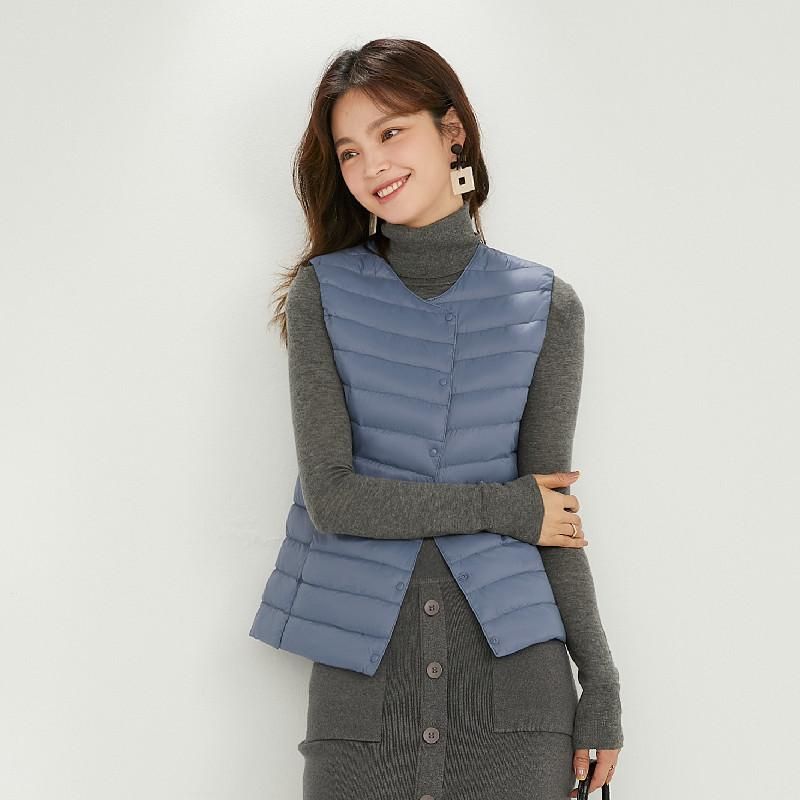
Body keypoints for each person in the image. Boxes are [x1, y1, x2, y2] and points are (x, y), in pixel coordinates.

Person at [254, 38, 623, 799]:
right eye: (350, 152)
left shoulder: (547, 306)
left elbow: (552, 517)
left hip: (517, 693)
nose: (372, 166)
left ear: (451, 131)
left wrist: (603, 685)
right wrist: (502, 507)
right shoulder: (324, 295)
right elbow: (335, 500)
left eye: (390, 132)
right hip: (363, 694)